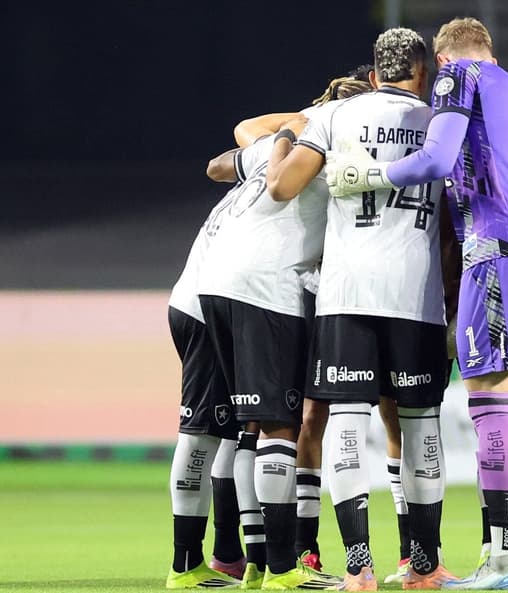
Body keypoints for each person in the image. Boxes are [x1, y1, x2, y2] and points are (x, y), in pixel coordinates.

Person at [326, 17, 508, 590]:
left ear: (441, 59)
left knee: (490, 403)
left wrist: (371, 171)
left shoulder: (454, 76)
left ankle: (504, 563)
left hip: (500, 244)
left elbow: (437, 161)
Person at [267, 28, 453, 591]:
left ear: (373, 75)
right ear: (422, 73)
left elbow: (281, 188)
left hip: (345, 294)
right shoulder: (440, 123)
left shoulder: (335, 117)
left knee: (346, 423)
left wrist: (288, 145)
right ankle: (423, 565)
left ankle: (357, 569)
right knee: (420, 427)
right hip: (416, 297)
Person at [196, 116, 342, 589]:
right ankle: (283, 568)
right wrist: (285, 137)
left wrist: (276, 140)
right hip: (268, 288)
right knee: (282, 425)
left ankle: (255, 561)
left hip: (215, 284)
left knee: (248, 429)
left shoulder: (283, 147)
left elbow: (217, 165)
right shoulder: (331, 147)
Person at [164, 155, 250, 590]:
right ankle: (185, 565)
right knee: (200, 432)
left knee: (229, 431)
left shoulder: (246, 186)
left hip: (197, 302)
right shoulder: (275, 185)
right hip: (205, 310)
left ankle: (225, 555)